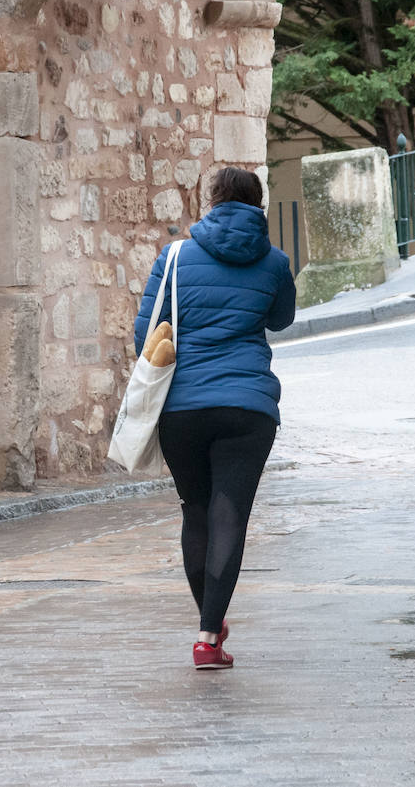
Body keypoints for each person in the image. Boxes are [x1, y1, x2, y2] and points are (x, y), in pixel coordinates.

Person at [133, 166, 296, 670]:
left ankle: (209, 617)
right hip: (248, 407)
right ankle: (208, 635)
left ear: (211, 200)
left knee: (195, 510)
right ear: (259, 203)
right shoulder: (274, 262)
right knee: (230, 513)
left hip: (181, 407)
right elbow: (281, 319)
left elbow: (145, 334)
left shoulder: (176, 256)